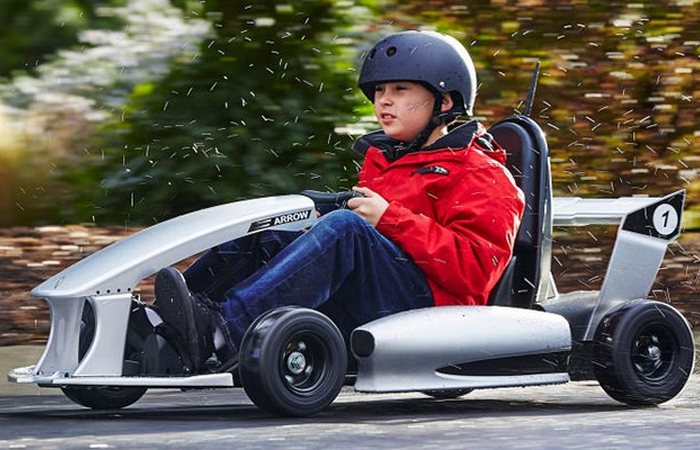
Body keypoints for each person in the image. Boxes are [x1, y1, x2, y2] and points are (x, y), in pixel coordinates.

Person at [154, 30, 525, 374]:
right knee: (266, 232)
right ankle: (162, 326)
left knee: (346, 230)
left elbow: (476, 272)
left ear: (444, 101)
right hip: (381, 295)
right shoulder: (387, 161)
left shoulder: (481, 173)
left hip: (436, 312)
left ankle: (222, 333)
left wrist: (388, 219)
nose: (384, 100)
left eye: (400, 89)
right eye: (379, 90)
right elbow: (374, 244)